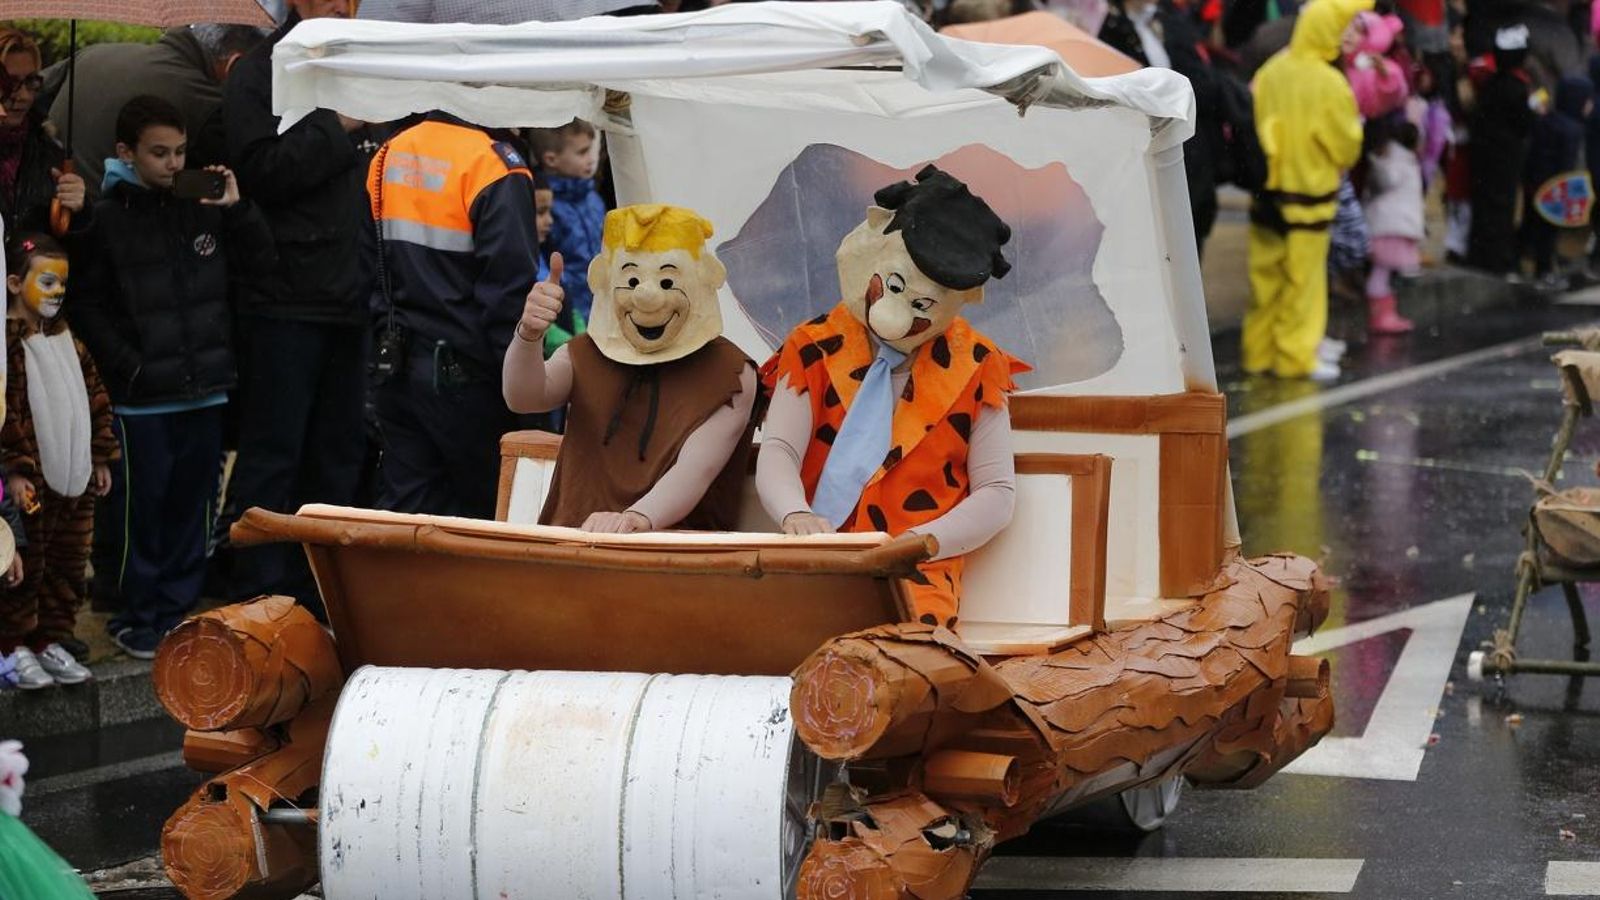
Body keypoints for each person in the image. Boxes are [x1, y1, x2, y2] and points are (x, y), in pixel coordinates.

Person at [757, 166, 1027, 628]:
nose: (895, 315)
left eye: (923, 305)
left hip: (914, 570)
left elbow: (996, 492)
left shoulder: (978, 366)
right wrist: (794, 513)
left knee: (898, 654)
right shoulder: (813, 346)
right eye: (894, 287)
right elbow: (780, 448)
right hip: (815, 556)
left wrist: (920, 541)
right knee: (772, 636)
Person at [68, 96, 273, 659]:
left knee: (193, 507)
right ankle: (137, 614)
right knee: (141, 511)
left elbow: (261, 268)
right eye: (159, 153)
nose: (173, 164)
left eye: (181, 152)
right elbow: (85, 303)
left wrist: (235, 208)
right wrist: (129, 363)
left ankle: (176, 610)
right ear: (124, 153)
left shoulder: (201, 206)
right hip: (141, 401)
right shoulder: (106, 219)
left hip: (203, 391)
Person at [221, 0, 368, 617]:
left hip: (358, 291)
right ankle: (253, 590)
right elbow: (259, 171)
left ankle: (321, 593)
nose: (342, 4)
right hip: (283, 293)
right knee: (273, 451)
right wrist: (336, 125)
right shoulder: (260, 69)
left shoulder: (372, 61)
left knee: (339, 454)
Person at [504, 205, 759, 533]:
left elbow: (696, 469)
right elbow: (524, 397)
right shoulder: (586, 351)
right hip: (572, 545)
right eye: (632, 279)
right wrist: (529, 334)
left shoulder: (732, 373)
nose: (646, 296)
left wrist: (635, 518)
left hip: (677, 558)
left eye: (668, 281)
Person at [369, 113, 540, 518]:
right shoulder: (494, 164)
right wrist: (530, 396)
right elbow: (508, 297)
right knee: (487, 515)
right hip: (469, 377)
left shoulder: (390, 152)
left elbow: (370, 268)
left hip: (397, 366)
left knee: (407, 513)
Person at [0, 234, 114, 689]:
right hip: (34, 483)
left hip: (76, 477)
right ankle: (12, 646)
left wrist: (102, 455)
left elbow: (96, 398)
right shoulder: (8, 344)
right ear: (13, 282)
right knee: (27, 563)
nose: (56, 292)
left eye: (62, 283)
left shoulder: (69, 338)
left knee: (68, 564)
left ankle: (50, 638)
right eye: (46, 281)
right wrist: (15, 470)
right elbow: (6, 413)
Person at [1242, 0, 1370, 382]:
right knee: (1304, 282)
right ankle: (1295, 356)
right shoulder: (1329, 83)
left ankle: (1259, 352)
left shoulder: (1271, 71)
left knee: (1266, 280)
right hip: (1310, 198)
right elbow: (1347, 144)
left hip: (1267, 195)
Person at [44, 25, 267, 193]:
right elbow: (242, 178)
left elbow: (37, 86)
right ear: (235, 65)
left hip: (52, 200)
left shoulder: (93, 53)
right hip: (112, 222)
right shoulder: (204, 98)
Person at [0, 28, 87, 237]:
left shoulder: (50, 153)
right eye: (10, 83)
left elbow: (79, 250)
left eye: (30, 82)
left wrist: (79, 212)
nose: (22, 95)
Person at [1466, 25, 1535, 276]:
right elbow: (1523, 123)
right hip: (1506, 157)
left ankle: (1480, 255)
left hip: (1485, 155)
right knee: (1501, 207)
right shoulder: (1517, 87)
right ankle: (1497, 259)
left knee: (1484, 204)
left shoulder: (1490, 84)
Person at [1522, 76, 1594, 291]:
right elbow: (1567, 165)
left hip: (1534, 183)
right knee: (1548, 232)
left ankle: (1529, 265)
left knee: (1533, 225)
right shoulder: (1573, 129)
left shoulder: (1546, 119)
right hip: (1553, 188)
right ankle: (1544, 273)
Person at [530, 121, 606, 324]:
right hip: (569, 310)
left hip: (603, 306)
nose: (591, 159)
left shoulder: (592, 198)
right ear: (551, 159)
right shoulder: (545, 206)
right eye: (582, 153)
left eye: (591, 150)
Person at [1362, 117, 1423, 333]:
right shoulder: (1400, 162)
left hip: (1390, 226)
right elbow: (1386, 181)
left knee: (1385, 273)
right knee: (1383, 273)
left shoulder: (1395, 160)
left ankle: (1387, 313)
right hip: (1393, 228)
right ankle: (1381, 316)